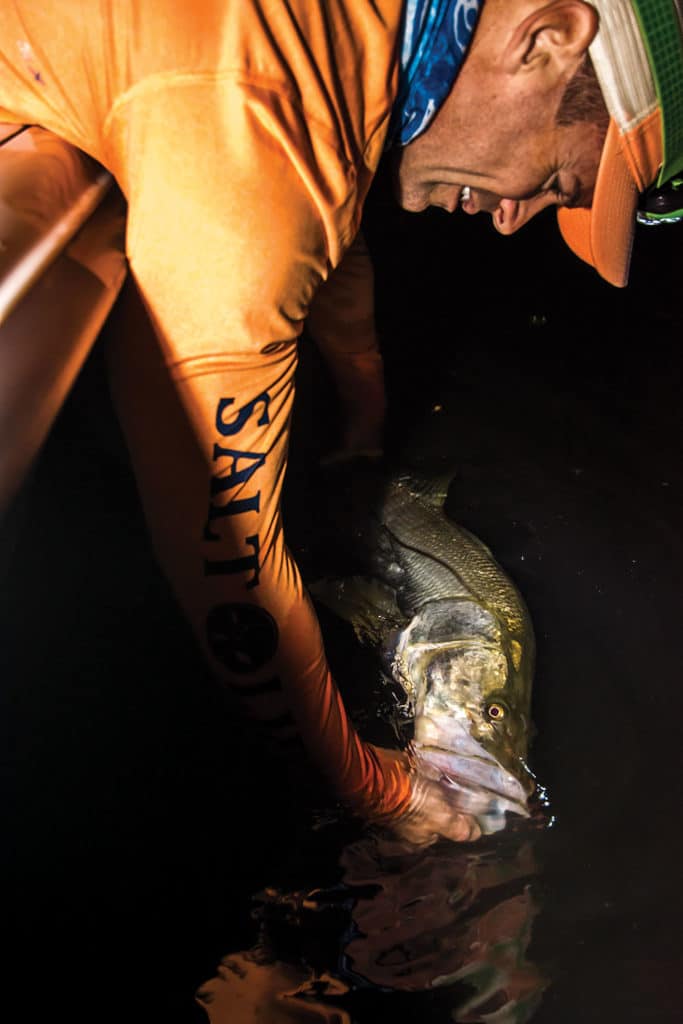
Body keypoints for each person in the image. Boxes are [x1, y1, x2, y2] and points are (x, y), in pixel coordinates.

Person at [0, 1, 679, 846]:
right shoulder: (248, 143)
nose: (513, 216)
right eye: (557, 180)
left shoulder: (348, 43)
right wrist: (382, 791)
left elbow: (332, 219)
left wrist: (362, 406)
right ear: (545, 38)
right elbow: (224, 556)